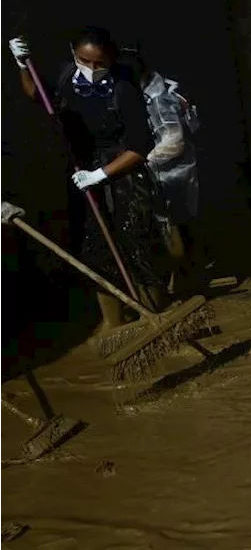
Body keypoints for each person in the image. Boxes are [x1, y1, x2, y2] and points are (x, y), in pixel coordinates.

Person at [8, 27, 169, 331]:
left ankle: (154, 313)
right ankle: (114, 324)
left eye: (100, 64)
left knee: (135, 241)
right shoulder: (69, 76)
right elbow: (39, 97)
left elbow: (140, 148)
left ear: (111, 59)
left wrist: (101, 174)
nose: (92, 69)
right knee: (95, 247)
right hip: (84, 170)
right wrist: (21, 65)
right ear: (74, 54)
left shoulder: (124, 88)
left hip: (122, 171)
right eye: (85, 61)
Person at [117, 44, 202, 296]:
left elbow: (173, 142)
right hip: (168, 172)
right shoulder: (155, 89)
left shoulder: (160, 98)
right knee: (172, 229)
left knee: (174, 229)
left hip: (171, 173)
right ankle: (182, 280)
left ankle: (185, 283)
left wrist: (140, 160)